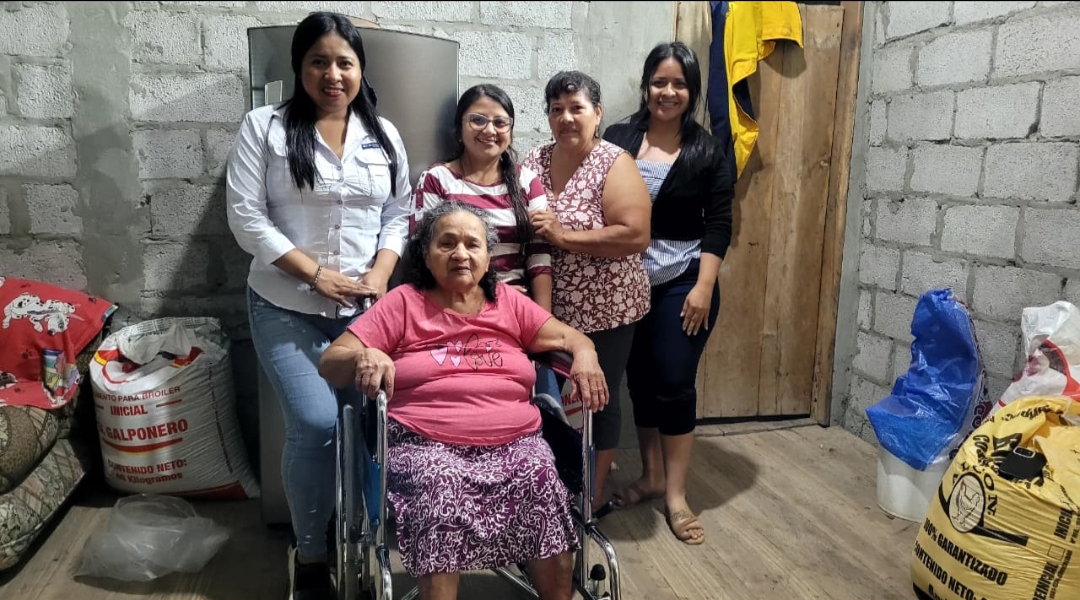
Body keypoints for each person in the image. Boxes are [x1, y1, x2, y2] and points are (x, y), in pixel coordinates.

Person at [318, 201, 609, 600]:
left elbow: (570, 338)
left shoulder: (507, 301)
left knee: (541, 476)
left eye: (473, 244)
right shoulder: (404, 302)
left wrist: (586, 354)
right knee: (441, 486)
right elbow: (330, 362)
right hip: (424, 445)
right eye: (447, 243)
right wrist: (364, 355)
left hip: (516, 441)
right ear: (426, 255)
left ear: (488, 258)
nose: (460, 253)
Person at [224, 11, 412, 599]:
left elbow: (399, 213)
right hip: (285, 303)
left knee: (366, 428)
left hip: (364, 314)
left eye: (344, 63)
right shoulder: (265, 127)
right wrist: (316, 275)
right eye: (319, 62)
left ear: (360, 69)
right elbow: (246, 216)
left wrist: (379, 274)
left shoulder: (384, 135)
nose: (333, 75)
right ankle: (310, 553)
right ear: (299, 67)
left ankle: (360, 541)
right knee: (315, 424)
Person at [602, 41, 734, 546]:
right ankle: (652, 475)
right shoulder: (618, 138)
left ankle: (676, 496)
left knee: (674, 381)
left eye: (679, 83)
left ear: (691, 91)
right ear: (646, 86)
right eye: (660, 81)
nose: (668, 91)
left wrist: (703, 287)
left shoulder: (707, 149)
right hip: (625, 279)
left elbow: (719, 223)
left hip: (684, 277)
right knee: (639, 381)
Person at [522, 71, 652, 513]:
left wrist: (564, 237)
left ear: (597, 113)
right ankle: (555, 486)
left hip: (607, 308)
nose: (566, 118)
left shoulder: (614, 162)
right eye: (556, 109)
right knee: (550, 400)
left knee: (598, 398)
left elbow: (635, 235)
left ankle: (589, 498)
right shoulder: (535, 160)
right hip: (548, 307)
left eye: (576, 108)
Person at [410, 84, 562, 398]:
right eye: (478, 120)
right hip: (452, 310)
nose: (489, 130)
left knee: (542, 401)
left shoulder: (526, 181)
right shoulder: (437, 179)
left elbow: (539, 258)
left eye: (500, 122)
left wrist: (539, 322)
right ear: (459, 128)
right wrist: (490, 297)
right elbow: (425, 254)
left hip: (516, 313)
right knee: (466, 397)